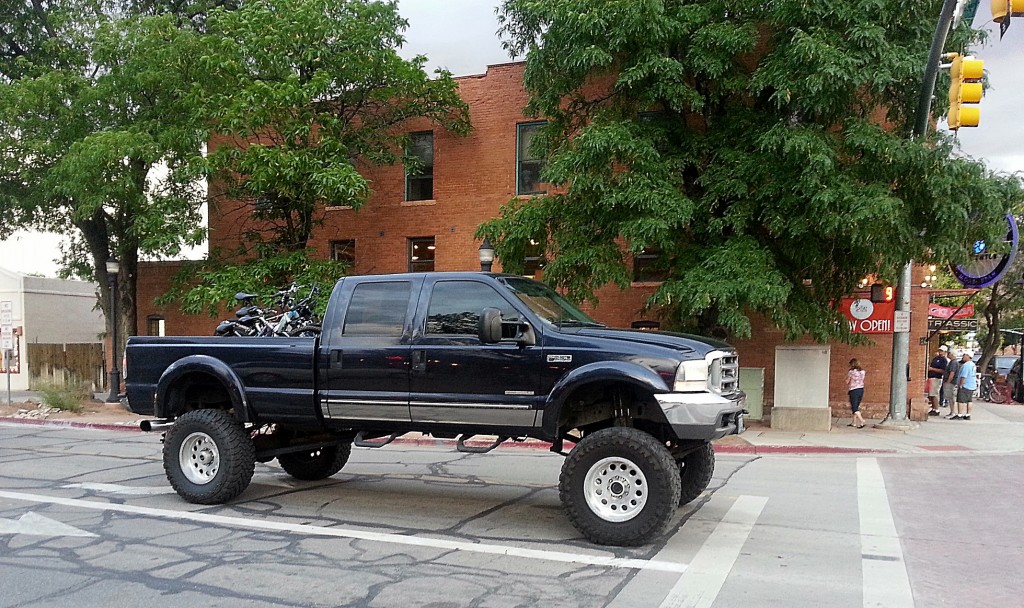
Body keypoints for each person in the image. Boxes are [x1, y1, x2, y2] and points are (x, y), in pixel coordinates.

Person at [953, 351, 978, 421]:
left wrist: (961, 384)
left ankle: (960, 414)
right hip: (972, 385)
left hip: (966, 385)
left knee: (960, 400)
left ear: (968, 356)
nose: (963, 357)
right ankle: (968, 414)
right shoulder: (973, 364)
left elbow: (963, 376)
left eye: (964, 355)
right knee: (969, 400)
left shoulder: (966, 365)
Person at [926, 345, 948, 416]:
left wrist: (932, 369)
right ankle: (933, 408)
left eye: (942, 351)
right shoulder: (936, 358)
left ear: (945, 352)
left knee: (934, 394)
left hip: (937, 378)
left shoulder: (944, 360)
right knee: (931, 394)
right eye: (940, 350)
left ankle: (936, 409)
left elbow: (943, 371)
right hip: (931, 377)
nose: (940, 352)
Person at [847, 358, 867, 428]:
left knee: (854, 407)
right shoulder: (863, 372)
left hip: (853, 390)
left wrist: (847, 381)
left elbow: (847, 381)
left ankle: (862, 421)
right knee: (856, 406)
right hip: (861, 389)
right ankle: (854, 422)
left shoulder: (851, 372)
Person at [942, 348, 961, 419]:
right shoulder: (952, 362)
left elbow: (952, 373)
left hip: (950, 382)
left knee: (950, 397)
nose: (948, 354)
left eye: (949, 353)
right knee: (950, 397)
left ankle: (952, 412)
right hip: (950, 381)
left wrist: (948, 382)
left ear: (952, 354)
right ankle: (951, 411)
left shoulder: (953, 362)